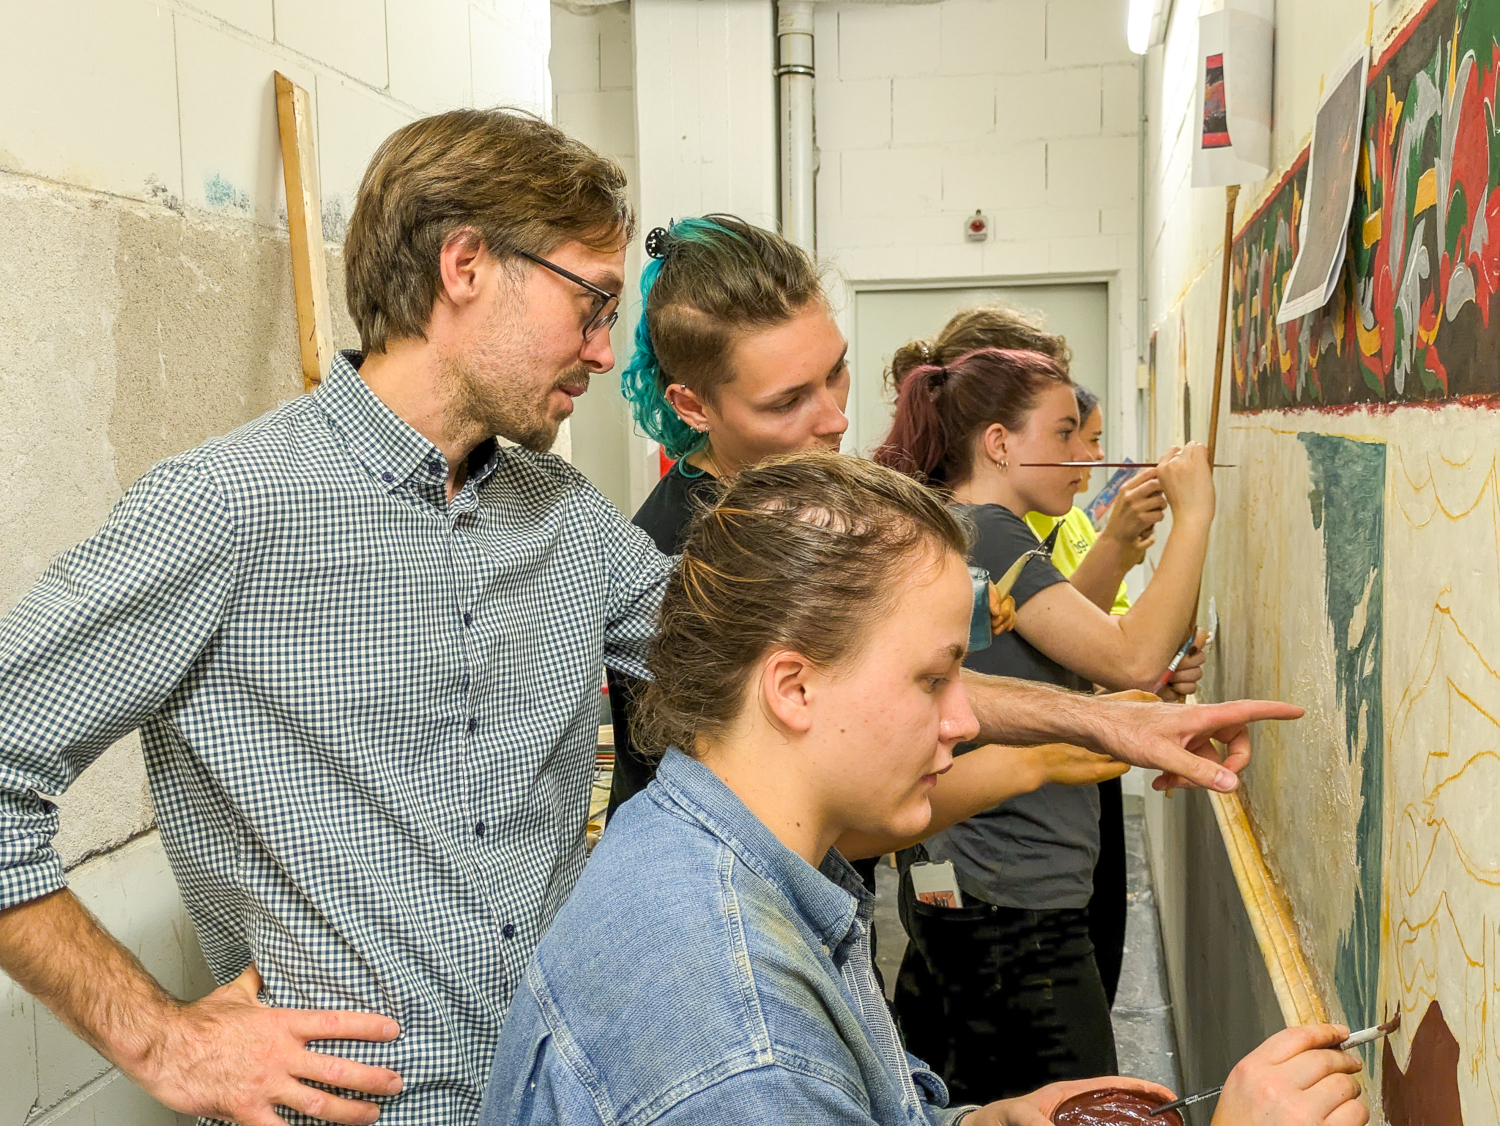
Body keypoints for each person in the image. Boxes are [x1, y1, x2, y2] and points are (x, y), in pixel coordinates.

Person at [0, 109, 1298, 1126]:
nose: (603, 342)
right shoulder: (229, 511)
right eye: (591, 297)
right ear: (466, 268)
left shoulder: (565, 524)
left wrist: (1111, 721)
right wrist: (161, 1034)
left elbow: (826, 673)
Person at [479, 452, 1367, 1126]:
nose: (962, 720)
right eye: (933, 680)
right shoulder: (747, 1048)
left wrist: (982, 1119)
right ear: (793, 688)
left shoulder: (704, 849)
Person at [873, 348, 1217, 1102]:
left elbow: (1050, 643)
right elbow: (1129, 657)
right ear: (999, 443)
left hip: (982, 885)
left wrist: (1123, 550)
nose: (1086, 458)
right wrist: (1197, 515)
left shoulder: (979, 525)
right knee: (1078, 1103)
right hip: (1013, 900)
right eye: (1065, 436)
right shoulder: (990, 531)